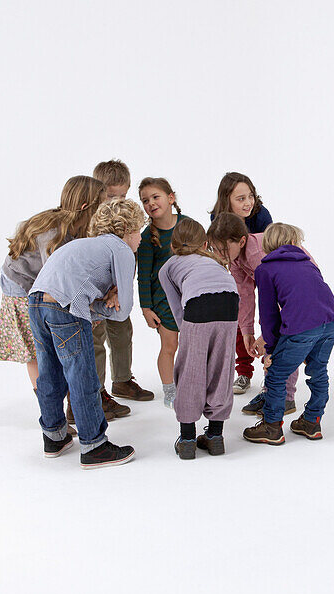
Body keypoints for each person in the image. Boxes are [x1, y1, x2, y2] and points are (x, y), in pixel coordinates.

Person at [28, 198, 145, 468]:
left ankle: (54, 436)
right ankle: (94, 446)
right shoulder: (122, 249)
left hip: (36, 302)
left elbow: (79, 292)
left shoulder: (81, 244)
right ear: (128, 228)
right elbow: (123, 311)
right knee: (82, 376)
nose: (140, 238)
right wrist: (108, 305)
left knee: (50, 374)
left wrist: (98, 306)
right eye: (139, 230)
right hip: (63, 307)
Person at [0, 175, 105, 433]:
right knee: (38, 352)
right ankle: (51, 415)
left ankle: (58, 413)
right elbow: (55, 281)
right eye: (100, 204)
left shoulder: (71, 228)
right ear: (85, 207)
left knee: (50, 350)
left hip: (34, 286)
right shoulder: (55, 233)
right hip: (22, 289)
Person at [243, 223, 334, 445]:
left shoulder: (265, 269)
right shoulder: (308, 264)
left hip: (302, 328)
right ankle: (312, 421)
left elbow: (269, 315)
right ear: (294, 242)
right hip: (331, 324)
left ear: (267, 243)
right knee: (318, 372)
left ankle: (271, 426)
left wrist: (271, 350)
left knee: (277, 374)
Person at [157, 219, 240, 459]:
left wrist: (192, 339)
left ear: (172, 246)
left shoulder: (168, 267)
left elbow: (177, 308)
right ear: (204, 243)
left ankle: (187, 439)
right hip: (229, 304)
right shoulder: (215, 261)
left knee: (190, 370)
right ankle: (215, 436)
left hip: (198, 307)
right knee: (222, 366)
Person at [207, 213, 303, 417]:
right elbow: (245, 295)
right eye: (214, 249)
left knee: (283, 340)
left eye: (223, 249)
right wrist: (247, 332)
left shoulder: (257, 253)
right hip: (283, 293)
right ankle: (271, 392)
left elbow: (275, 298)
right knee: (274, 340)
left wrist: (265, 337)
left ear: (241, 241)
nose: (218, 254)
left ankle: (285, 397)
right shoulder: (233, 259)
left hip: (299, 291)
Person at [89, 159, 154, 409]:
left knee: (122, 331)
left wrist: (119, 288)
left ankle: (123, 380)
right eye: (111, 196)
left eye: (123, 195)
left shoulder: (128, 215)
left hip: (118, 288)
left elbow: (131, 252)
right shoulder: (93, 219)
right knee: (95, 337)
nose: (117, 201)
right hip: (95, 292)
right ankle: (98, 392)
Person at [208, 172, 272, 394]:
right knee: (238, 315)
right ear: (227, 200)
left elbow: (268, 251)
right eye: (240, 199)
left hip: (262, 267)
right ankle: (244, 371)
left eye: (250, 196)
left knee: (269, 314)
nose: (248, 203)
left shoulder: (261, 216)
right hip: (238, 268)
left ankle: (270, 368)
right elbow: (223, 253)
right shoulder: (219, 220)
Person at [136, 177, 189, 409]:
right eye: (145, 201)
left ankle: (191, 383)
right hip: (163, 300)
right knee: (169, 347)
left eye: (155, 197)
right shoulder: (147, 237)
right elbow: (144, 275)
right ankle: (170, 390)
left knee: (192, 346)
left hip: (190, 297)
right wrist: (146, 308)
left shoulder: (188, 226)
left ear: (170, 198)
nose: (150, 203)